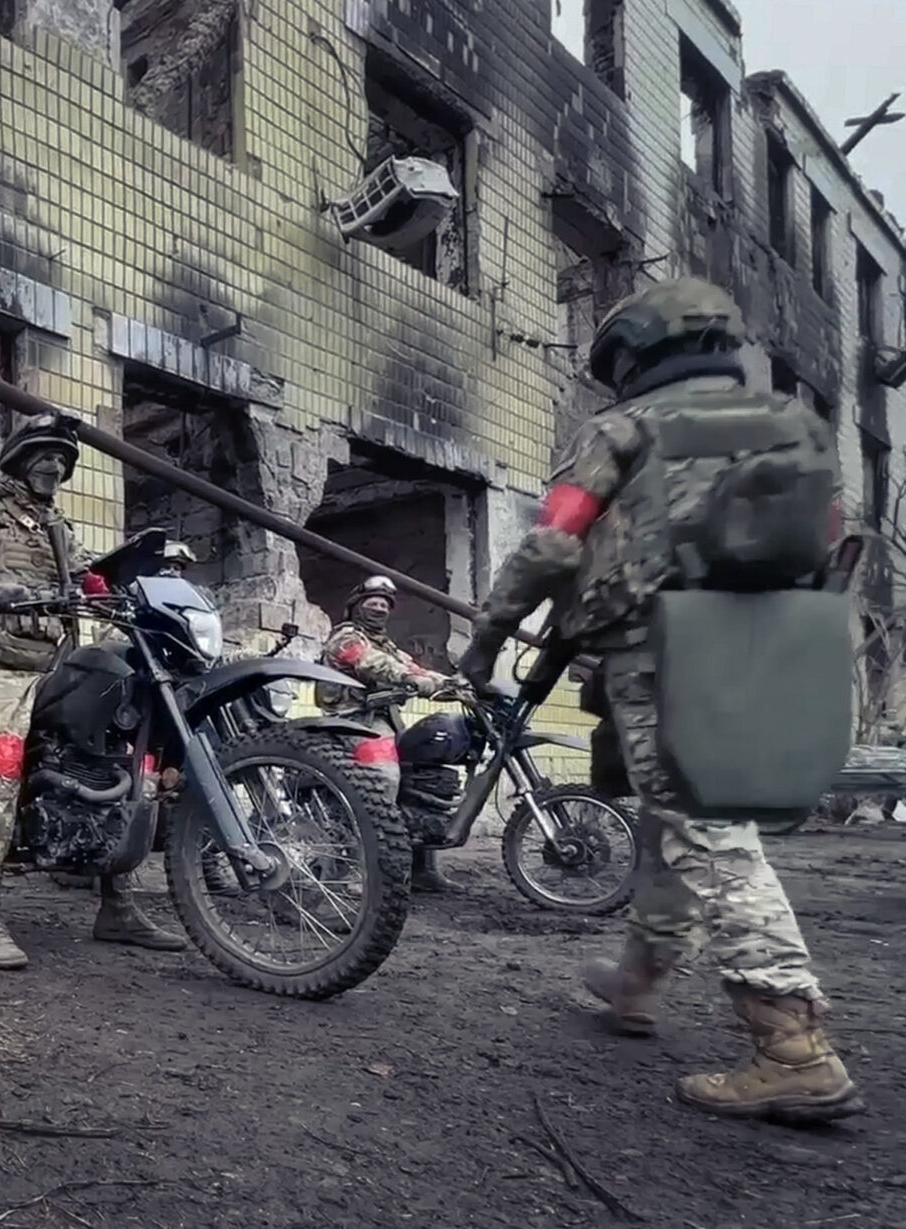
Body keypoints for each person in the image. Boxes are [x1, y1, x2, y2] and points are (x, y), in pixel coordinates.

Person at [457, 278, 862, 1124]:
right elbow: (829, 542)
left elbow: (554, 539)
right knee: (669, 815)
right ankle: (638, 983)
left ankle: (791, 1043)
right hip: (771, 641)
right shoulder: (798, 426)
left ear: (635, 353)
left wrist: (489, 635)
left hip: (661, 647)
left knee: (701, 823)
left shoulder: (625, 428)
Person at [0, 413, 185, 970]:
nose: (54, 464)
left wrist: (136, 586)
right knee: (4, 763)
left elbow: (92, 580)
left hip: (53, 660)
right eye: (44, 454)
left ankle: (117, 908)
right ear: (20, 460)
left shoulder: (58, 528)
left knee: (119, 754)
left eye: (62, 459)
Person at [317, 575, 466, 892]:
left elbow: (412, 667)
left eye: (384, 606)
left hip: (384, 720)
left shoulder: (385, 643)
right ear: (356, 606)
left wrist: (452, 683)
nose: (379, 609)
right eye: (372, 604)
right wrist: (417, 682)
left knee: (428, 777)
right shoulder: (345, 638)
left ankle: (421, 869)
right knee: (384, 778)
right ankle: (359, 871)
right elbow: (378, 666)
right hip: (352, 721)